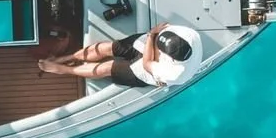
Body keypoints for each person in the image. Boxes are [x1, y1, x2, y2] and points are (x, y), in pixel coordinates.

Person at [35, 23, 202, 88]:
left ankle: (64, 69)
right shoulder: (189, 35)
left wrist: (152, 36)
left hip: (148, 71)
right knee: (107, 48)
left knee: (106, 68)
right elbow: (162, 31)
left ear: (170, 57)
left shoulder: (175, 72)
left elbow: (147, 63)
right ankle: (65, 58)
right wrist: (153, 38)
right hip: (150, 42)